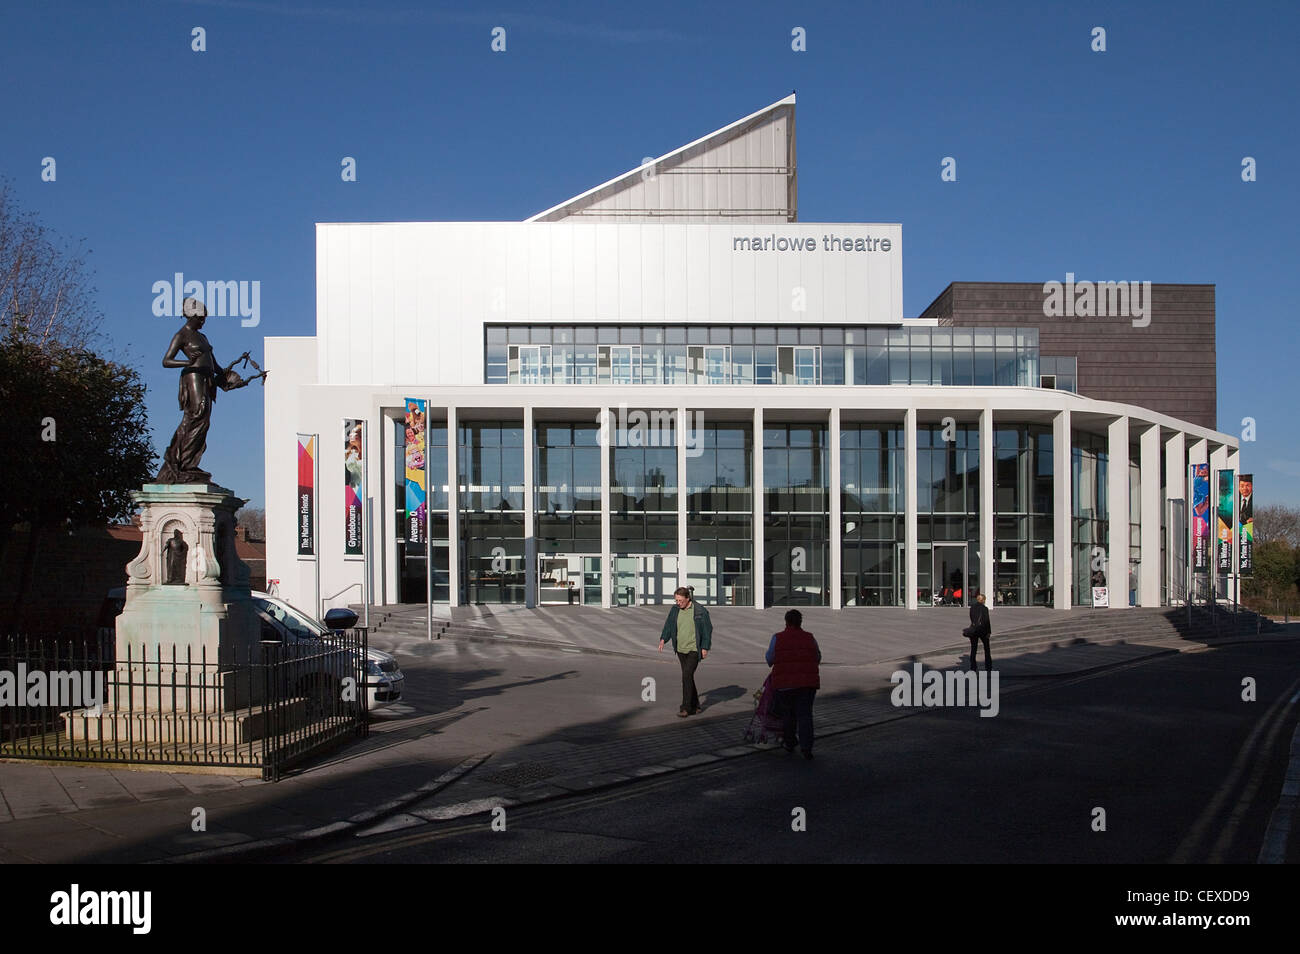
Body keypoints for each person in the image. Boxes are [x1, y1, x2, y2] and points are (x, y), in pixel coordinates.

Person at [156, 299, 251, 483]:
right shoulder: (181, 335)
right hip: (193, 377)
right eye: (200, 318)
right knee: (196, 414)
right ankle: (177, 460)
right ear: (192, 316)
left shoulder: (203, 337)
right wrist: (187, 362)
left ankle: (189, 462)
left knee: (204, 419)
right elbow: (166, 361)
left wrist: (226, 376)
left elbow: (214, 363)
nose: (203, 321)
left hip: (207, 379)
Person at [766, 609, 821, 759]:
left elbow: (770, 659)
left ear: (786, 621)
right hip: (807, 684)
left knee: (787, 716)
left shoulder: (777, 638)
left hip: (784, 685)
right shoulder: (810, 638)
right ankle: (807, 748)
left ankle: (790, 742)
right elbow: (817, 656)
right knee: (805, 716)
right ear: (800, 622)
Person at [658, 586, 712, 717]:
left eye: (680, 600)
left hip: (694, 649)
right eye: (676, 600)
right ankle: (696, 705)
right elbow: (669, 625)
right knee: (688, 677)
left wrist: (705, 647)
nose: (678, 603)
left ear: (688, 598)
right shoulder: (675, 610)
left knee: (686, 676)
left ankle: (686, 708)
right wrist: (663, 639)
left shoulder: (700, 611)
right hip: (681, 649)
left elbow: (707, 630)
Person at [963, 592, 992, 672]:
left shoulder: (972, 607)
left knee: (973, 649)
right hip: (983, 630)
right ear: (983, 600)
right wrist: (989, 632)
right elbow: (987, 621)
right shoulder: (984, 608)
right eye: (984, 600)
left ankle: (973, 667)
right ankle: (988, 666)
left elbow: (972, 618)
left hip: (974, 630)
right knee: (986, 649)